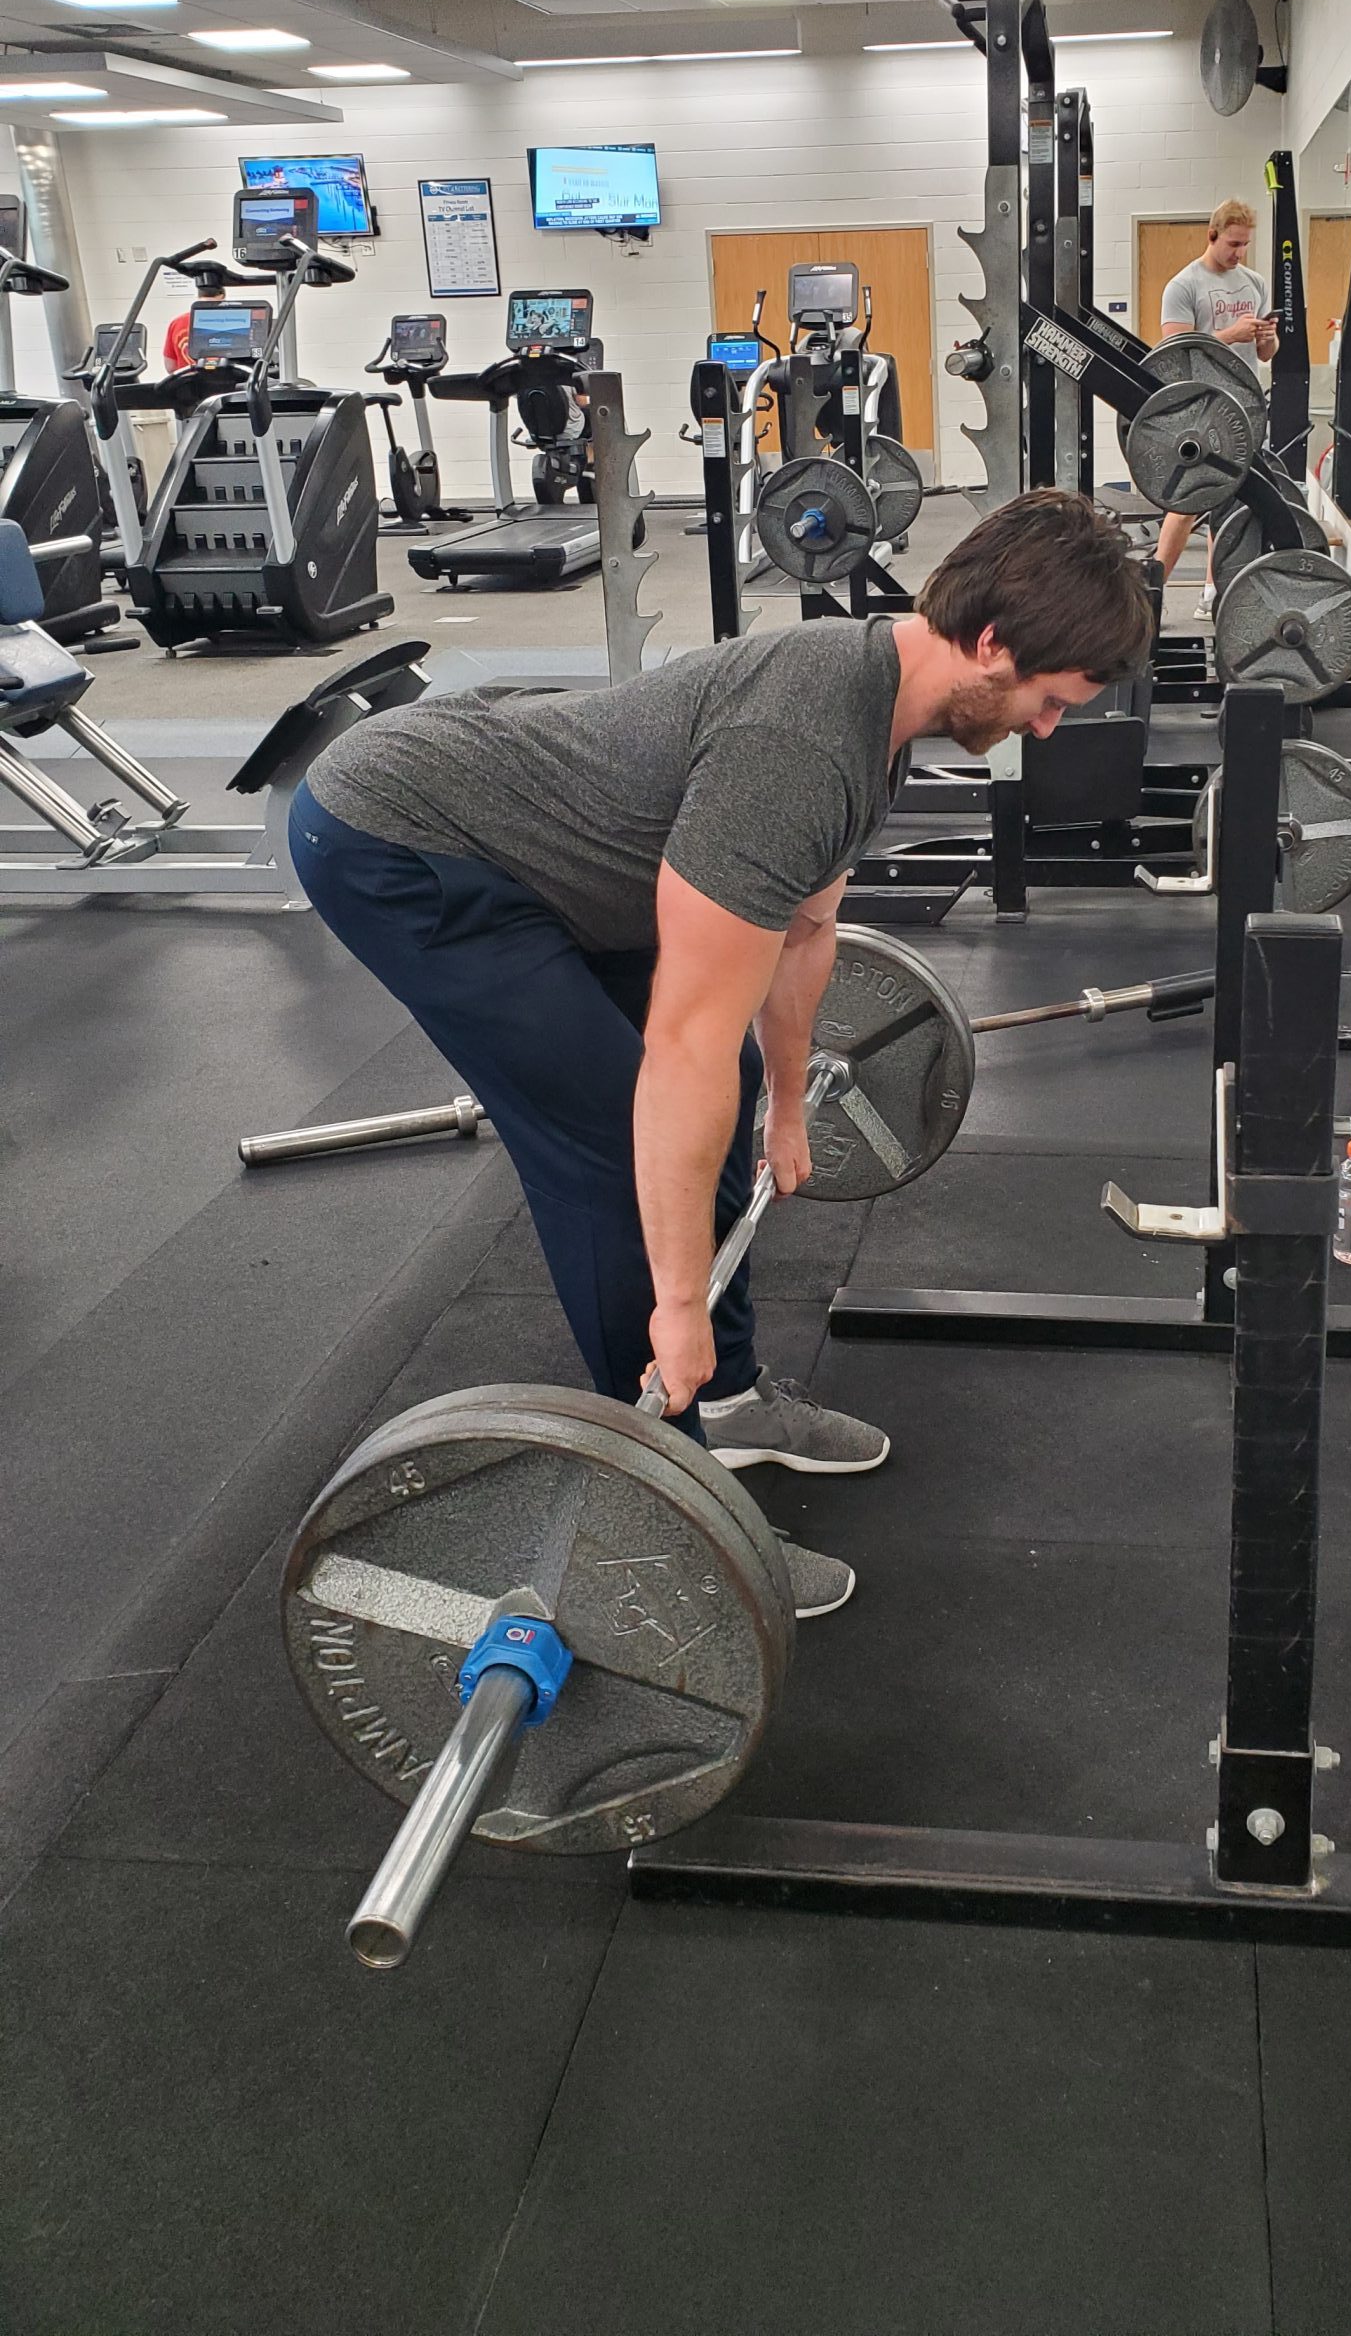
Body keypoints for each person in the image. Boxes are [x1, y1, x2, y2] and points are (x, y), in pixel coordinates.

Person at [289, 489, 1154, 1617]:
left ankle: (733, 1403)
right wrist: (676, 1303)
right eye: (1048, 700)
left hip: (555, 857)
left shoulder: (877, 708)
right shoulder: (798, 751)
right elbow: (683, 1044)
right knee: (608, 1144)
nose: (1046, 727)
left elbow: (804, 934)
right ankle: (671, 1496)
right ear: (990, 641)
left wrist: (787, 1100)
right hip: (405, 839)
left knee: (732, 1086)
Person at [1154, 199, 1278, 619]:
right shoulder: (1184, 285)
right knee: (1187, 501)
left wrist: (1265, 337)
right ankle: (1153, 590)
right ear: (1212, 235)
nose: (1239, 253)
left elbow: (1265, 352)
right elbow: (1176, 353)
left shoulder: (1256, 283)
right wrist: (1230, 333)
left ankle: (1212, 589)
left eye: (1245, 245)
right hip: (1199, 408)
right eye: (1232, 243)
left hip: (1243, 405)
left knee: (1233, 497)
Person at [163, 280, 223, 373]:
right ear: (222, 296)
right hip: (224, 383)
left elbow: (170, 367)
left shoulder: (177, 323)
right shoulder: (229, 321)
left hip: (188, 384)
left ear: (199, 295)